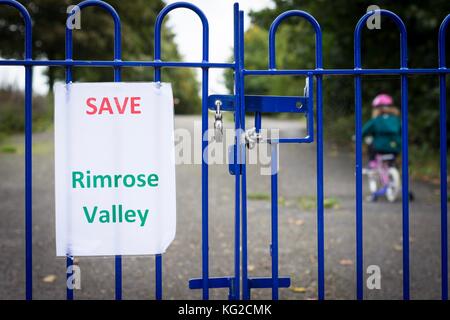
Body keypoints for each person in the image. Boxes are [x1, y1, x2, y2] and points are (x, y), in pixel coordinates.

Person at [362, 93, 401, 165]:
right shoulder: (396, 120)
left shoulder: (376, 120)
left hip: (379, 147)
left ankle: (372, 162)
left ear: (377, 109)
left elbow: (364, 131)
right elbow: (401, 131)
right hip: (395, 147)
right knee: (392, 160)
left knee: (370, 143)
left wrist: (357, 136)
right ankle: (392, 166)